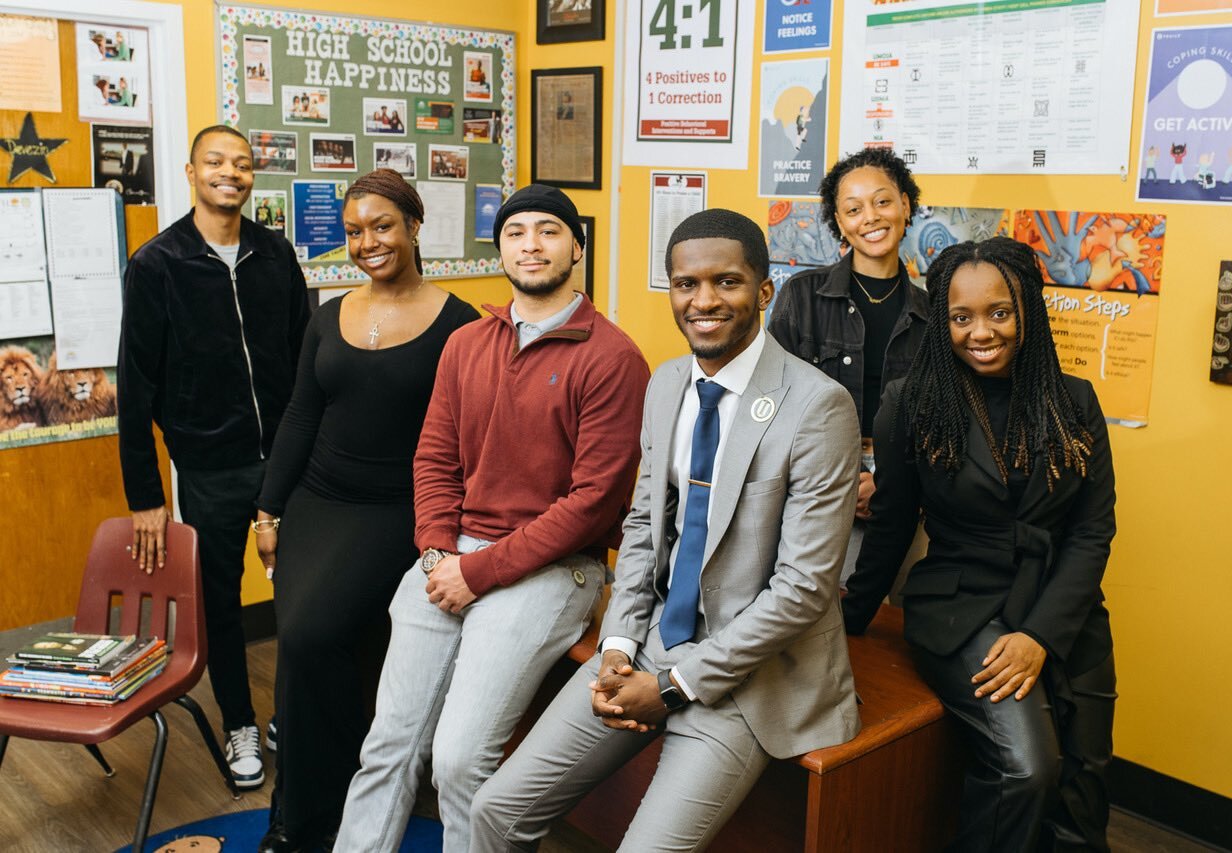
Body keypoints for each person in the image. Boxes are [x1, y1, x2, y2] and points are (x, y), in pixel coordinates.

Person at [470, 209, 861, 852]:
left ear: (764, 292)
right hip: (650, 644)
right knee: (494, 810)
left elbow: (803, 589)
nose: (704, 301)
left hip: (750, 678)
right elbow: (644, 526)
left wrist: (676, 686)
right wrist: (621, 644)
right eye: (686, 284)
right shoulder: (667, 382)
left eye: (727, 282)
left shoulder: (817, 406)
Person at [335, 184, 650, 852]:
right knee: (386, 745)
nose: (531, 245)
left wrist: (476, 572)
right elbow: (433, 459)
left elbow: (592, 503)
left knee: (456, 758)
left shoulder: (613, 358)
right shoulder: (468, 343)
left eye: (548, 231)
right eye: (516, 232)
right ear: (499, 247)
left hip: (554, 568)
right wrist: (435, 553)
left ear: (576, 247)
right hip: (451, 557)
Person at [843, 237, 1117, 851]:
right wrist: (845, 622)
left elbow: (1092, 530)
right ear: (941, 322)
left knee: (1084, 784)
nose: (980, 332)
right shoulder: (910, 404)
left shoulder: (1074, 401)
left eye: (999, 312)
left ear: (1027, 311)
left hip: (1063, 609)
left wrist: (1042, 635)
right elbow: (889, 526)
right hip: (962, 607)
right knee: (1026, 769)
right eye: (960, 317)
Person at [253, 170, 479, 852]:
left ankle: (319, 812)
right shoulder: (329, 315)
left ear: (414, 226)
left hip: (399, 511)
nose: (367, 242)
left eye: (382, 225)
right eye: (354, 231)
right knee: (303, 647)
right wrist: (268, 510)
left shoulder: (460, 326)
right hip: (317, 501)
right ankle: (299, 817)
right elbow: (300, 416)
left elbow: (469, 441)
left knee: (313, 636)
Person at [117, 125, 311, 790]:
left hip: (288, 460)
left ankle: (292, 711)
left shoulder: (276, 254)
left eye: (243, 163)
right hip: (210, 467)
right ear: (191, 171)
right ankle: (240, 722)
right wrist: (146, 495)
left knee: (306, 593)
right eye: (216, 162)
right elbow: (135, 386)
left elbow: (305, 360)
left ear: (253, 175)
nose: (231, 172)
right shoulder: (156, 264)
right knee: (221, 604)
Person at [768, 146, 928, 584]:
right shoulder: (802, 297)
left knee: (888, 630)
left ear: (905, 205)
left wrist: (890, 482)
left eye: (882, 201)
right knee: (813, 617)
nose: (871, 217)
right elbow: (769, 402)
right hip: (812, 488)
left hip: (902, 491)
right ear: (840, 222)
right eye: (853, 209)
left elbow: (941, 419)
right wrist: (844, 474)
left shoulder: (932, 314)